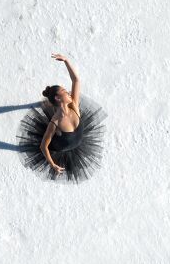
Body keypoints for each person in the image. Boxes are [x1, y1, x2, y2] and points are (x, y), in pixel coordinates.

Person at [16, 54, 106, 183]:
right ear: (58, 98)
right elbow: (43, 146)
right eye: (64, 91)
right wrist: (53, 165)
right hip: (59, 149)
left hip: (78, 143)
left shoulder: (74, 105)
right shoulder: (55, 122)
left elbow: (76, 81)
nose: (68, 92)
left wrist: (66, 61)